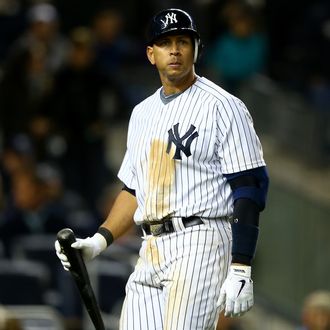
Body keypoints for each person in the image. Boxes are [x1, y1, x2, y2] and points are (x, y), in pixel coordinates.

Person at [55, 8, 269, 330]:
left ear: (195, 49)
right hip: (151, 245)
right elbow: (133, 190)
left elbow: (249, 187)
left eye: (183, 41)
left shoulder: (224, 106)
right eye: (165, 42)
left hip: (202, 238)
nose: (175, 50)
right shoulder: (142, 113)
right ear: (150, 54)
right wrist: (99, 242)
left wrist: (241, 266)